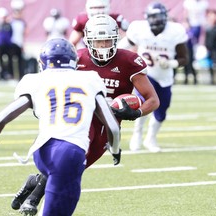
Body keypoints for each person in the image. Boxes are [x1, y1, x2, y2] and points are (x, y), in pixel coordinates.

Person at [10, 14, 160, 215]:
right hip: (79, 120)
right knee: (70, 165)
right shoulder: (76, 59)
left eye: (107, 40)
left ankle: (36, 182)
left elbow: (153, 99)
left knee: (75, 168)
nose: (103, 45)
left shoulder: (129, 61)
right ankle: (35, 198)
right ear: (88, 40)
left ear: (116, 38)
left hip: (107, 124)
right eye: (98, 41)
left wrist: (136, 112)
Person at [0, 38, 121, 216]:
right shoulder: (90, 78)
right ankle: (35, 187)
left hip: (41, 150)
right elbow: (112, 125)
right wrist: (115, 148)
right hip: (70, 152)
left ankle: (35, 184)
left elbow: (2, 118)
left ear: (43, 62)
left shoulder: (33, 80)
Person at [118, 2, 188, 152]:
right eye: (153, 18)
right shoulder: (139, 29)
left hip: (165, 77)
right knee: (143, 103)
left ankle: (151, 137)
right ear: (147, 18)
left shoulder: (175, 31)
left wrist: (171, 63)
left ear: (165, 17)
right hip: (145, 74)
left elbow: (184, 58)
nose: (155, 21)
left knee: (162, 110)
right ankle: (137, 134)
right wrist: (114, 50)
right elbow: (126, 44)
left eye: (158, 17)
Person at [0, 7, 13, 80]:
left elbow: (11, 33)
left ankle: (9, 74)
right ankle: (1, 75)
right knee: (0, 61)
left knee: (9, 60)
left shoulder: (8, 25)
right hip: (0, 45)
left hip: (7, 45)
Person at [10, 0, 27, 80]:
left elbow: (24, 34)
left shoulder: (22, 22)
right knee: (12, 61)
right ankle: (12, 76)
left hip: (19, 43)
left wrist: (23, 44)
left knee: (20, 61)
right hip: (12, 43)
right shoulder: (11, 22)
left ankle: (20, 76)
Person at [204, 9, 216, 85]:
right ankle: (212, 80)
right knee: (210, 65)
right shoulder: (208, 26)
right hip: (209, 48)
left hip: (215, 48)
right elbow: (206, 38)